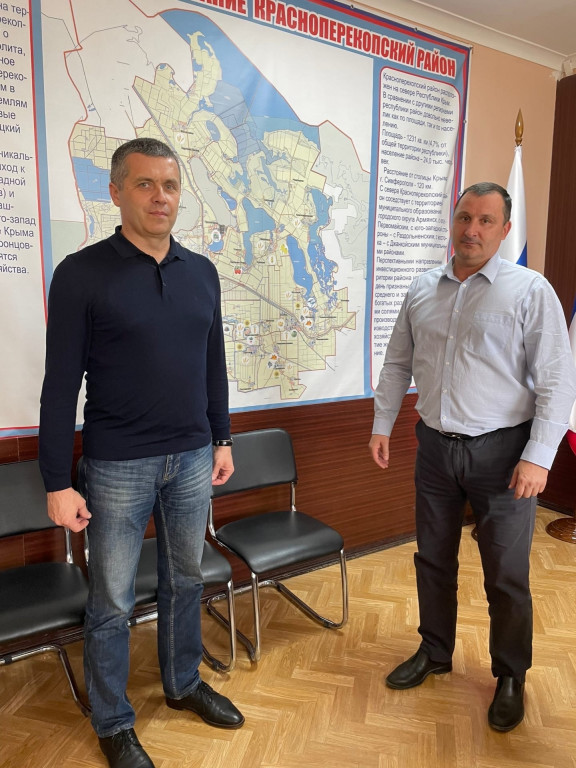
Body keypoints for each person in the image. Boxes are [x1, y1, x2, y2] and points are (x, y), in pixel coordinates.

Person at [39, 137, 244, 768]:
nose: (161, 197)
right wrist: (56, 481)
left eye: (170, 185)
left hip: (192, 459)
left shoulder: (202, 272)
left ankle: (182, 684)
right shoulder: (81, 273)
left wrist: (222, 436)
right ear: (116, 192)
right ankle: (113, 721)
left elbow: (213, 363)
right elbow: (59, 385)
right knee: (113, 600)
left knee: (186, 580)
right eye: (145, 184)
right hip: (116, 465)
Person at [369, 182, 576, 732]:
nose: (472, 229)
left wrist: (539, 457)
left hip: (505, 457)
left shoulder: (530, 290)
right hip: (435, 451)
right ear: (452, 221)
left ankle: (510, 675)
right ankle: (435, 651)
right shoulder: (422, 289)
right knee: (432, 560)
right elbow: (397, 363)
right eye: (464, 217)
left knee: (505, 574)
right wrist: (382, 423)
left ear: (505, 230)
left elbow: (558, 380)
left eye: (486, 220)